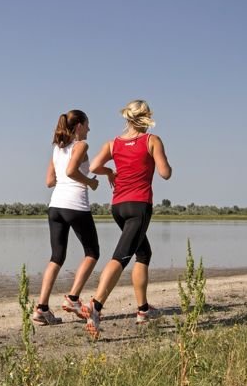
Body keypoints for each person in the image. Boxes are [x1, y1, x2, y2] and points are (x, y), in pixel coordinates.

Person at [80, 99, 172, 339]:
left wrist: (111, 172)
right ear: (145, 117)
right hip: (139, 206)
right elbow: (165, 173)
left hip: (118, 207)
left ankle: (143, 310)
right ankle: (96, 306)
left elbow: (95, 166)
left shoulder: (113, 144)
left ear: (127, 118)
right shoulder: (152, 140)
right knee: (121, 256)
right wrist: (157, 158)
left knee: (143, 253)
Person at [32, 109, 114, 326]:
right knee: (92, 252)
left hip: (55, 206)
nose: (89, 129)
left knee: (56, 257)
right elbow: (70, 171)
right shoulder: (81, 145)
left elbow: (50, 181)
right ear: (79, 126)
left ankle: (41, 309)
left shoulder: (57, 149)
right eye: (87, 124)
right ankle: (74, 297)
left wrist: (70, 177)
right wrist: (91, 182)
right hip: (75, 205)